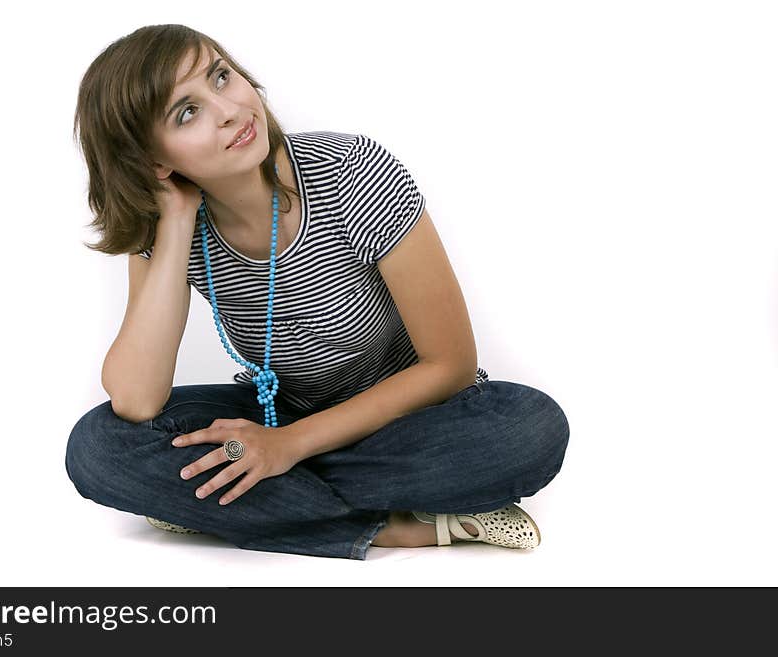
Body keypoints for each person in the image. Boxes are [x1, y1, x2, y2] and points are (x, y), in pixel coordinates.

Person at [65, 24, 570, 560]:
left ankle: (236, 508)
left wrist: (286, 448)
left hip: (407, 420)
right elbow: (137, 400)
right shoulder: (169, 230)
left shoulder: (353, 172)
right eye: (186, 112)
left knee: (530, 428)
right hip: (281, 410)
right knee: (98, 446)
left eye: (220, 77)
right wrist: (176, 220)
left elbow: (451, 366)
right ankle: (393, 526)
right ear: (154, 161)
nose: (230, 109)